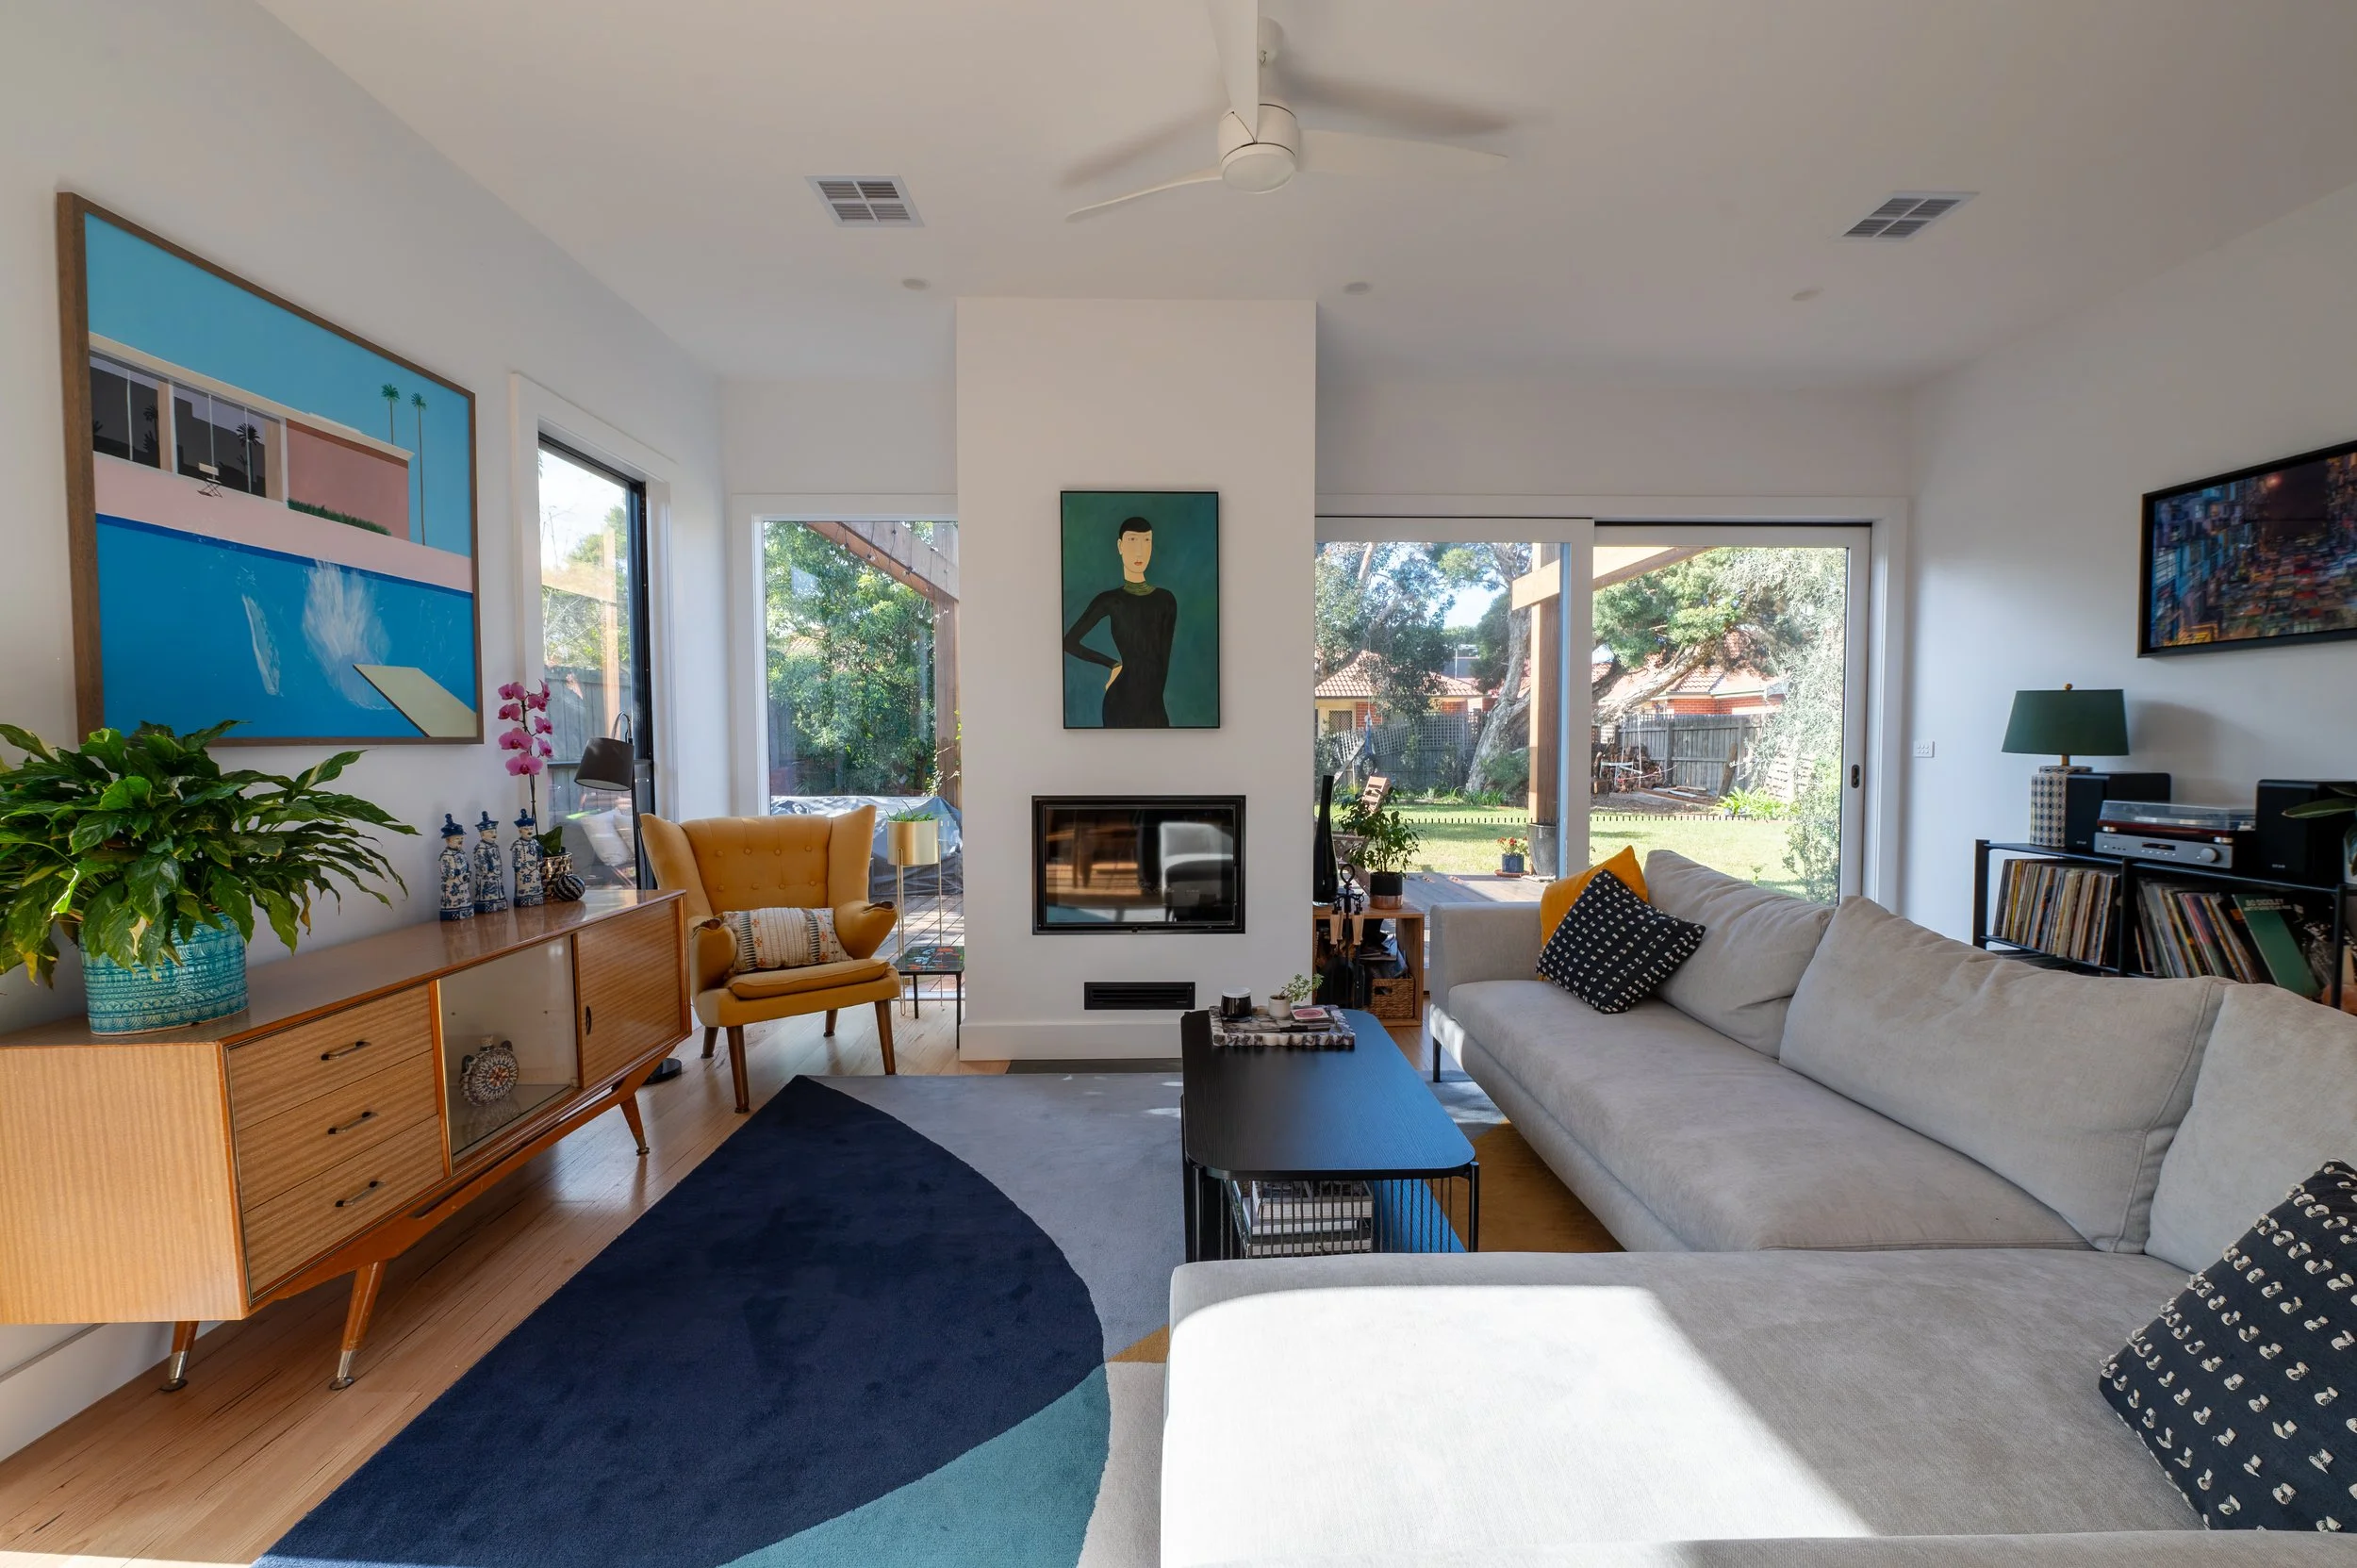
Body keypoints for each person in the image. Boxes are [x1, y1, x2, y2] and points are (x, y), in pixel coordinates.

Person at [1063, 516, 1177, 726]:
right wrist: (1113, 665)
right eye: (1133, 541)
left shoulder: (1166, 600)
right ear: (1120, 546)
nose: (1140, 551)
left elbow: (1162, 666)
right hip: (1119, 703)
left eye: (1146, 541)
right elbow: (1069, 642)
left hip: (1154, 707)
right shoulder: (1110, 600)